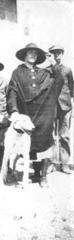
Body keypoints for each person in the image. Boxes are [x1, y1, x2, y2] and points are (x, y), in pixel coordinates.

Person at [7, 43, 65, 187]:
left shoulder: (44, 73)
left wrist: (54, 65)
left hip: (44, 114)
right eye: (30, 52)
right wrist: (14, 111)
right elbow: (12, 92)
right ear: (25, 55)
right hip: (26, 114)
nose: (33, 55)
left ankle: (44, 177)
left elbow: (58, 81)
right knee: (30, 144)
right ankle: (36, 174)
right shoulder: (17, 72)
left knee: (44, 142)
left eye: (35, 53)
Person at [48, 45, 73, 174]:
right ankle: (51, 163)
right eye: (54, 53)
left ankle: (64, 163)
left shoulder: (67, 70)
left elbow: (71, 88)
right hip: (51, 106)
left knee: (64, 136)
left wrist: (69, 102)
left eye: (58, 53)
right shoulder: (48, 70)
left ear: (62, 54)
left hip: (65, 107)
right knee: (51, 134)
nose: (57, 56)